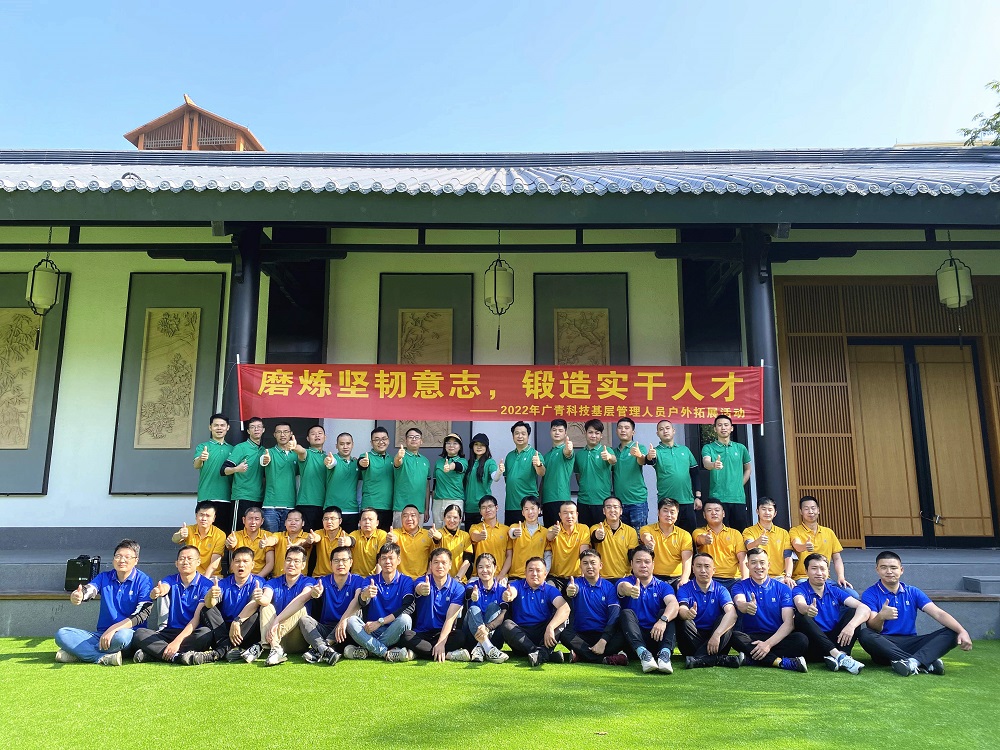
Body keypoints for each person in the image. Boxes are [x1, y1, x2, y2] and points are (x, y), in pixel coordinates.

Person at [858, 550, 973, 676]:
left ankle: (913, 662)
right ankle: (924, 662)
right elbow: (873, 627)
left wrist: (962, 631)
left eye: (893, 568)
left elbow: (938, 613)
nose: (889, 571)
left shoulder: (913, 592)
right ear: (877, 570)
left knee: (953, 631)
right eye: (884, 567)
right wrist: (881, 616)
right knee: (865, 634)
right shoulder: (870, 593)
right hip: (885, 646)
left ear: (901, 570)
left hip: (911, 642)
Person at [54, 539, 152, 666]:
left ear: (136, 560)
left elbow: (142, 614)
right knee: (62, 634)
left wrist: (114, 629)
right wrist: (79, 595)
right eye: (118, 556)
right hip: (102, 634)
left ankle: (79, 653)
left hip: (128, 633)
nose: (122, 560)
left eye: (127, 557)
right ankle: (101, 657)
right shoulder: (104, 577)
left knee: (121, 638)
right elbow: (90, 589)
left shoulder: (144, 581)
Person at [730, 548, 809, 672]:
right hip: (752, 638)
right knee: (734, 636)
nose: (758, 567)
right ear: (747, 565)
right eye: (754, 563)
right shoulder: (739, 586)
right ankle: (780, 662)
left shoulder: (783, 588)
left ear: (769, 565)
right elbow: (740, 602)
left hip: (777, 636)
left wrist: (768, 644)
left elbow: (789, 623)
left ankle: (752, 659)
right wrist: (746, 606)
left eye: (762, 562)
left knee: (801, 640)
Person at [132, 546, 214, 664]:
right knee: (139, 633)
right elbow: (164, 587)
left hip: (192, 632)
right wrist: (157, 592)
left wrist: (177, 642)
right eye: (182, 559)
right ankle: (177, 657)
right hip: (170, 631)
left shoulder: (206, 585)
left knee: (206, 634)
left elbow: (196, 619)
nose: (185, 562)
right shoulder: (171, 579)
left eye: (190, 558)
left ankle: (155, 654)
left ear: (198, 562)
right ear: (176, 563)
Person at [792, 553, 869, 674]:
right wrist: (807, 608)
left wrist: (851, 626)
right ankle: (839, 656)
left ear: (828, 572)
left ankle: (840, 656)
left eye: (822, 569)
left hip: (835, 640)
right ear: (806, 571)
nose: (819, 573)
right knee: (801, 616)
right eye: (814, 568)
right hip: (814, 643)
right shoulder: (799, 589)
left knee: (854, 612)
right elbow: (799, 603)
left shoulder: (834, 590)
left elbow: (864, 608)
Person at [342, 542, 415, 661]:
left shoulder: (406, 581)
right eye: (384, 558)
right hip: (370, 630)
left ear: (398, 560)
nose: (387, 562)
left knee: (405, 619)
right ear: (379, 561)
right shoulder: (370, 580)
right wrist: (365, 595)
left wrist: (380, 622)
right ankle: (385, 652)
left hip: (393, 630)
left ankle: (368, 650)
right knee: (351, 621)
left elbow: (407, 607)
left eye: (391, 558)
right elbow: (362, 602)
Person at [198, 546, 268, 664]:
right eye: (237, 561)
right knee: (206, 609)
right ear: (232, 564)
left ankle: (219, 652)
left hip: (244, 628)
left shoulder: (258, 582)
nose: (241, 565)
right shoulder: (224, 583)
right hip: (223, 630)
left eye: (245, 561)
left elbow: (254, 604)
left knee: (256, 614)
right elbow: (211, 604)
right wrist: (210, 595)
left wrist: (237, 622)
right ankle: (228, 648)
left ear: (252, 565)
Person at [298, 546, 366, 665]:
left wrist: (343, 620)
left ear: (351, 562)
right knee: (304, 619)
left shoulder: (358, 580)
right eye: (336, 560)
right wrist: (315, 593)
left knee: (355, 611)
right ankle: (326, 650)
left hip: (347, 630)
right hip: (326, 628)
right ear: (330, 563)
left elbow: (357, 600)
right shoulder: (323, 581)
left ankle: (322, 647)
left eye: (344, 560)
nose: (340, 564)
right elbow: (316, 591)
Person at [560, 549, 628, 666]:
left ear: (600, 565)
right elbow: (573, 589)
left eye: (593, 563)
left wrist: (603, 641)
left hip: (604, 636)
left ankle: (581, 655)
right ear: (580, 566)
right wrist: (571, 591)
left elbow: (614, 615)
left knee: (623, 635)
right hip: (581, 636)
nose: (589, 566)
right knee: (564, 634)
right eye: (585, 563)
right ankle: (605, 659)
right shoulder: (575, 584)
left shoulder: (609, 587)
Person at [617, 546, 678, 673]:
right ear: (632, 564)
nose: (643, 565)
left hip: (656, 635)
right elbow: (622, 587)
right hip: (633, 641)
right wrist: (631, 590)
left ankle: (665, 655)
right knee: (626, 613)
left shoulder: (663, 586)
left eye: (647, 562)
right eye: (638, 561)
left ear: (653, 564)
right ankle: (644, 655)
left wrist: (663, 620)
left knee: (667, 613)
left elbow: (673, 603)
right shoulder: (625, 582)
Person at [399, 549, 469, 661]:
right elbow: (419, 587)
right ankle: (448, 655)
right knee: (406, 636)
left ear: (450, 565)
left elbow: (450, 619)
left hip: (444, 633)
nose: (439, 566)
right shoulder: (422, 580)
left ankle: (418, 653)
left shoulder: (458, 588)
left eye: (444, 562)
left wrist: (441, 642)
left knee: (460, 637)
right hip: (421, 633)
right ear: (430, 565)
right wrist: (422, 589)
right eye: (436, 562)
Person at [500, 557, 571, 667]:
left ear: (545, 574)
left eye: (538, 570)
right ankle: (542, 653)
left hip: (544, 634)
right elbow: (511, 592)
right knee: (506, 625)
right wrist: (508, 595)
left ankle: (539, 653)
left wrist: (550, 627)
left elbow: (565, 608)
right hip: (521, 635)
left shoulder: (550, 590)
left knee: (562, 619)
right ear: (525, 572)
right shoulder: (517, 585)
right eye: (531, 570)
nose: (534, 574)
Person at [675, 553, 742, 669]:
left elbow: (732, 614)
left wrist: (716, 635)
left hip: (716, 640)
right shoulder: (685, 589)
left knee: (726, 619)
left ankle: (699, 660)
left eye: (707, 566)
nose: (703, 570)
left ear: (713, 570)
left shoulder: (721, 589)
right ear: (693, 569)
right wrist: (687, 613)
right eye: (699, 566)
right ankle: (718, 659)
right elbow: (682, 609)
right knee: (684, 621)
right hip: (693, 638)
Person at [258, 545, 318, 666]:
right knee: (266, 607)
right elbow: (266, 599)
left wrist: (277, 621)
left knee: (301, 608)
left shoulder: (309, 582)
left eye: (296, 561)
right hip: (274, 639)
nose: (291, 564)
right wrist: (258, 598)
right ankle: (275, 648)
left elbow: (302, 599)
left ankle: (261, 646)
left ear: (303, 565)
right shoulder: (273, 582)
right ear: (284, 562)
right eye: (289, 560)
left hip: (296, 640)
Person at [789, 496, 854, 594]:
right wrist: (804, 546)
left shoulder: (828, 532)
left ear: (818, 510)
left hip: (825, 578)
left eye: (813, 508)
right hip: (803, 578)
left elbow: (837, 558)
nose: (810, 511)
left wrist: (841, 577)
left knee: (853, 595)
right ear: (801, 512)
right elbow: (797, 545)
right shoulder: (795, 531)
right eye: (806, 509)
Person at [645, 420, 702, 532]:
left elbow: (695, 473)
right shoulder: (656, 451)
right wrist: (649, 456)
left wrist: (698, 497)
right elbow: (649, 460)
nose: (665, 431)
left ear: (673, 430)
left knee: (689, 536)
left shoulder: (685, 450)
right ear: (657, 434)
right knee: (667, 535)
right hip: (667, 502)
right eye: (661, 429)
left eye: (667, 428)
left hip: (687, 501)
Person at [701, 415, 752, 530]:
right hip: (718, 498)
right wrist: (713, 464)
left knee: (740, 533)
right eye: (719, 425)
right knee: (718, 531)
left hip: (738, 498)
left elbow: (748, 469)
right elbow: (706, 463)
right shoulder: (708, 448)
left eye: (726, 425)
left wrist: (739, 484)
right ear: (715, 429)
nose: (723, 428)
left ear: (731, 428)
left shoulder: (740, 448)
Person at [463, 553, 510, 663]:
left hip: (493, 636)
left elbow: (504, 614)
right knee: (474, 609)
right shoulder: (472, 585)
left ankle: (480, 648)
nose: (484, 570)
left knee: (493, 607)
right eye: (480, 567)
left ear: (495, 568)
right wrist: (473, 594)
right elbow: (469, 591)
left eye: (488, 566)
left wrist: (487, 628)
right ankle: (488, 648)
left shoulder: (502, 590)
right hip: (471, 636)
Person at [193, 412, 234, 532]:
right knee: (203, 532)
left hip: (226, 497)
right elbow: (196, 465)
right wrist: (201, 458)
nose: (219, 428)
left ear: (228, 427)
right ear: (210, 427)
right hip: (206, 497)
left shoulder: (233, 449)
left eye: (222, 425)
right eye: (216, 425)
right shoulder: (203, 447)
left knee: (223, 533)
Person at [639, 499, 694, 589]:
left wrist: (684, 579)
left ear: (677, 515)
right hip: (653, 577)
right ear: (658, 513)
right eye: (665, 511)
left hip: (676, 578)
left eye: (672, 512)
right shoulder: (647, 529)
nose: (669, 515)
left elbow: (687, 560)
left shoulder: (685, 535)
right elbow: (645, 535)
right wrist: (648, 541)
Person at [693, 498, 746, 589]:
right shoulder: (698, 531)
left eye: (717, 510)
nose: (714, 513)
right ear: (704, 515)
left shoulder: (735, 533)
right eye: (709, 510)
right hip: (710, 579)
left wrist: (745, 579)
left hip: (734, 579)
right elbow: (699, 539)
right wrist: (705, 539)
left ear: (723, 513)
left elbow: (742, 558)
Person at [223, 416, 266, 528]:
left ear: (263, 430)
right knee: (237, 531)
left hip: (258, 497)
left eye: (259, 427)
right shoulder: (241, 448)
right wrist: (236, 469)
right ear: (248, 431)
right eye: (252, 427)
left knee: (253, 531)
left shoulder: (264, 451)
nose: (256, 429)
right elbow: (223, 470)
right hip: (242, 496)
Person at [742, 496, 793, 586]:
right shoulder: (749, 531)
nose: (767, 512)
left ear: (775, 513)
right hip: (756, 576)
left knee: (790, 587)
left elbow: (788, 556)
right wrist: (757, 542)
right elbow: (748, 546)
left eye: (770, 510)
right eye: (763, 509)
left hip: (778, 577)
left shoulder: (783, 533)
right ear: (757, 511)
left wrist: (788, 576)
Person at [574, 419, 615, 527]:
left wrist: (609, 457)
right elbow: (578, 476)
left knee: (602, 534)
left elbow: (613, 460)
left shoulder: (607, 451)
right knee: (585, 534)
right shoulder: (579, 455)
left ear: (601, 435)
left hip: (602, 502)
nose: (593, 436)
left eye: (597, 433)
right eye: (590, 432)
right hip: (583, 502)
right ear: (585, 433)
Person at [611, 417, 650, 531]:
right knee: (622, 536)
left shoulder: (639, 447)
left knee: (639, 536)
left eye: (627, 428)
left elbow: (642, 461)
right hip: (619, 502)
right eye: (620, 428)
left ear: (633, 432)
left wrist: (639, 455)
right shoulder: (613, 452)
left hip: (637, 501)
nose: (623, 430)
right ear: (616, 431)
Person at [260, 423, 299, 533]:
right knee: (271, 539)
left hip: (290, 505)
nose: (282, 434)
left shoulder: (296, 454)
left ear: (291, 434)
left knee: (286, 540)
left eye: (286, 431)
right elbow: (263, 460)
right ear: (274, 434)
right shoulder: (269, 452)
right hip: (270, 505)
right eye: (279, 432)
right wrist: (265, 460)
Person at [503, 421, 544, 525]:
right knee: (511, 533)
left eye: (523, 433)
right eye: (517, 433)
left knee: (528, 533)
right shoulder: (509, 456)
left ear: (528, 436)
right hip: (511, 505)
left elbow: (541, 473)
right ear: (513, 436)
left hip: (528, 505)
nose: (520, 436)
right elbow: (506, 478)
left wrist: (538, 464)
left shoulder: (535, 454)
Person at [545, 501, 592, 593]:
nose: (569, 516)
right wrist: (554, 533)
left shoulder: (583, 529)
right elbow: (549, 537)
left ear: (577, 514)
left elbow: (584, 553)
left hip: (576, 577)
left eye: (572, 513)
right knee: (549, 591)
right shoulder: (553, 529)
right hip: (555, 577)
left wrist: (584, 576)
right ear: (560, 515)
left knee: (577, 592)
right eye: (565, 513)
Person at [589, 496, 638, 582]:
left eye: (615, 507)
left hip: (624, 578)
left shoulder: (631, 531)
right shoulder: (595, 528)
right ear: (604, 511)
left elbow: (632, 556)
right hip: (601, 579)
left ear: (621, 511)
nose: (612, 510)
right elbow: (595, 537)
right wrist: (598, 535)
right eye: (608, 507)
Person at [171, 501, 225, 578]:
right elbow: (174, 539)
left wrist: (202, 581)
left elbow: (214, 563)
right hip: (191, 574)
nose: (204, 519)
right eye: (201, 515)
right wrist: (180, 535)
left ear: (213, 518)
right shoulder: (189, 530)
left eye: (208, 516)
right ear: (196, 516)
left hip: (212, 576)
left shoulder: (220, 535)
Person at [293, 423, 329, 532]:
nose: (317, 435)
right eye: (313, 434)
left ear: (325, 437)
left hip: (325, 505)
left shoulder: (329, 457)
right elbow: (301, 451)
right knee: (306, 538)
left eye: (320, 433)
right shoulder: (307, 453)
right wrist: (295, 447)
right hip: (307, 504)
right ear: (308, 438)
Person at [324, 432, 361, 533]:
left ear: (352, 445)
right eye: (341, 444)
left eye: (348, 443)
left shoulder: (356, 463)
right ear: (336, 446)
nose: (345, 447)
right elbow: (331, 463)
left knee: (350, 541)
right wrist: (329, 461)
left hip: (352, 510)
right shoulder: (333, 458)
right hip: (332, 511)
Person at [540, 419, 575, 527]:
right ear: (550, 432)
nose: (557, 433)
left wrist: (569, 449)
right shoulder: (546, 455)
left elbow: (568, 453)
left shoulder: (565, 449)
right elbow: (543, 480)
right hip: (547, 500)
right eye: (554, 430)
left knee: (562, 533)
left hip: (561, 499)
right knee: (549, 532)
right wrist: (540, 500)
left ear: (565, 433)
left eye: (560, 430)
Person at [469, 495, 512, 582]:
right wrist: (480, 536)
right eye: (483, 507)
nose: (487, 510)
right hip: (478, 575)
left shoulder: (506, 530)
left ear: (496, 508)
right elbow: (474, 536)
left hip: (499, 576)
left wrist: (502, 574)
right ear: (480, 511)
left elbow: (509, 556)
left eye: (490, 506)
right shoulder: (475, 527)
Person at [359, 426, 395, 531]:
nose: (381, 442)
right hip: (370, 507)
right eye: (377, 439)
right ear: (371, 443)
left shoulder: (393, 460)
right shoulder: (366, 456)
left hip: (388, 507)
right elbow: (361, 463)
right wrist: (362, 462)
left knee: (384, 537)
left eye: (384, 439)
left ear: (388, 441)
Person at [393, 427, 430, 525]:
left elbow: (427, 486)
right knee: (399, 535)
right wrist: (398, 457)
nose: (414, 439)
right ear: (405, 440)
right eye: (410, 437)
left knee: (418, 535)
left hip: (419, 509)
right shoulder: (402, 456)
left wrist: (426, 509)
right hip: (401, 508)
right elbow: (397, 462)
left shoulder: (425, 461)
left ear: (421, 441)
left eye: (417, 437)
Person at [463, 433, 501, 528]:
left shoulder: (489, 462)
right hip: (469, 508)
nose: (479, 447)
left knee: (485, 536)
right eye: (476, 444)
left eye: (482, 445)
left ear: (486, 447)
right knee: (470, 535)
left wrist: (499, 471)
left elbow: (495, 477)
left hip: (484, 508)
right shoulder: (469, 463)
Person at [225, 505, 274, 577]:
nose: (253, 522)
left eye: (257, 519)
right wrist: (230, 544)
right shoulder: (235, 535)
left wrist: (257, 578)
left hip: (259, 576)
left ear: (262, 521)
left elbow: (270, 563)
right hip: (237, 576)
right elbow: (229, 546)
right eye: (250, 518)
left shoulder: (268, 536)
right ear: (244, 520)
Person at [507, 496, 548, 583]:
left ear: (539, 510)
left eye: (533, 508)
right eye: (526, 509)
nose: (530, 512)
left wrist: (545, 574)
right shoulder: (515, 527)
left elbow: (548, 556)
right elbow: (511, 532)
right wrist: (515, 533)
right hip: (516, 576)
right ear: (522, 512)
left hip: (537, 578)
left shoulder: (545, 532)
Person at [431, 433, 467, 528]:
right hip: (438, 501)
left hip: (455, 500)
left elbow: (458, 466)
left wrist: (450, 467)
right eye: (448, 443)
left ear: (460, 447)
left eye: (455, 443)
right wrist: (433, 503)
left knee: (452, 530)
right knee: (437, 531)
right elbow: (435, 485)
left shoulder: (463, 461)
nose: (451, 445)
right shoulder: (438, 462)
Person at [391, 504, 435, 579]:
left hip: (421, 578)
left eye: (413, 515)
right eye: (405, 516)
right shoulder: (395, 533)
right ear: (401, 518)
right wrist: (390, 542)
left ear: (419, 518)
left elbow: (433, 557)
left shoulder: (428, 535)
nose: (409, 519)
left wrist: (428, 574)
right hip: (400, 579)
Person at [266, 508, 313, 576]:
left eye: (296, 520)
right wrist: (266, 542)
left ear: (303, 523)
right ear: (285, 523)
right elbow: (273, 540)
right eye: (290, 520)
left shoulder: (307, 536)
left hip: (300, 579)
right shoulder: (278, 535)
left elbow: (305, 541)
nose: (293, 523)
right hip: (278, 578)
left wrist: (297, 544)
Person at [433, 504, 473, 581]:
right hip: (439, 580)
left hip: (460, 579)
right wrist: (435, 536)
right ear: (444, 518)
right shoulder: (438, 533)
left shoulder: (465, 536)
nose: (451, 520)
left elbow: (467, 560)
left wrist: (457, 578)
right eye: (448, 517)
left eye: (455, 517)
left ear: (460, 519)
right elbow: (437, 539)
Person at [309, 506, 351, 577]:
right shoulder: (319, 533)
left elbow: (349, 541)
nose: (329, 522)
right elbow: (315, 537)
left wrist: (346, 543)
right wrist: (312, 539)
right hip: (319, 576)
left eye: (332, 519)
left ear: (340, 521)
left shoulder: (345, 537)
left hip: (339, 577)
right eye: (326, 519)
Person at [346, 507, 389, 576]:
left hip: (374, 577)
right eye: (364, 519)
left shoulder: (382, 535)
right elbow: (351, 540)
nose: (367, 522)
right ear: (359, 522)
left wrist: (377, 579)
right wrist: (345, 541)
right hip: (356, 577)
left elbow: (380, 558)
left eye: (370, 519)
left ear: (377, 523)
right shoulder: (355, 534)